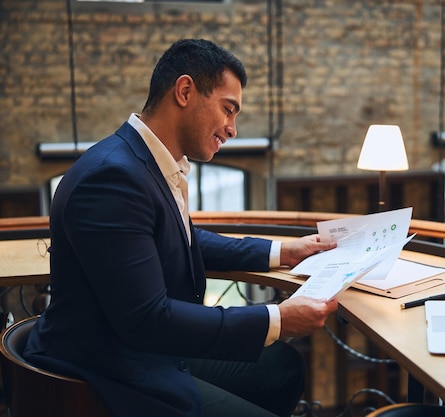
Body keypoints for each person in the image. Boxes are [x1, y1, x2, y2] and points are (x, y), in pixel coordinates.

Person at [24, 38, 338, 417]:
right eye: (228, 109)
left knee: (282, 368)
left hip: (138, 350)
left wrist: (281, 252)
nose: (232, 128)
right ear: (185, 91)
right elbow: (148, 321)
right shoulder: (112, 178)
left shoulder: (143, 161)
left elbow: (182, 241)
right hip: (110, 369)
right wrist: (278, 318)